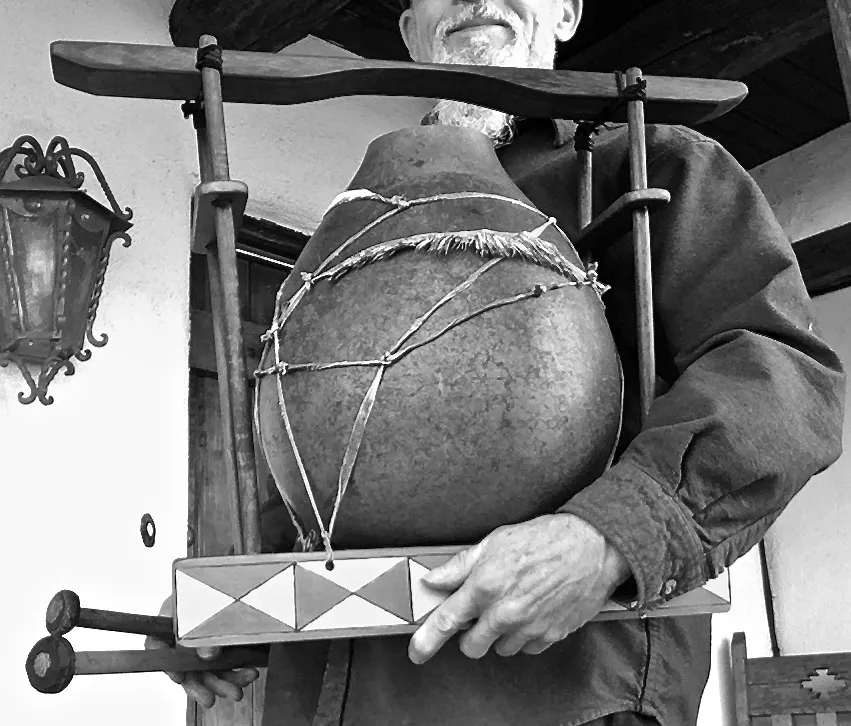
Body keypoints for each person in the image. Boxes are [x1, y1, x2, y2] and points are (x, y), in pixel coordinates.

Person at [148, 1, 846, 724]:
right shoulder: (351, 230)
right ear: (409, 31)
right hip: (329, 694)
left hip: (568, 695)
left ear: (569, 11)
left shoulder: (656, 166)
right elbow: (294, 472)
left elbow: (782, 375)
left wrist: (612, 537)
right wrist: (233, 600)